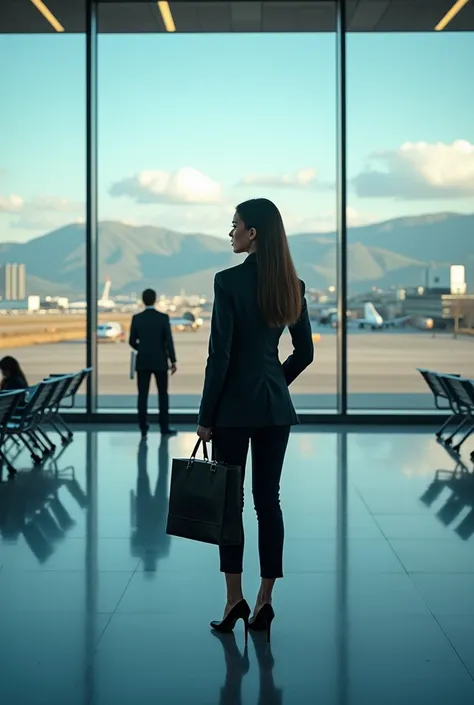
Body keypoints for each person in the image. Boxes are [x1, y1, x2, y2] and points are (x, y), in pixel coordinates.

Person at [197, 198, 314, 642]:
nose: (230, 233)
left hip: (232, 411)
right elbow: (304, 353)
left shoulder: (227, 282)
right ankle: (265, 600)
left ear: (254, 233)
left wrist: (207, 415)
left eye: (235, 226)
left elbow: (220, 355)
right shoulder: (293, 285)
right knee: (269, 501)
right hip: (274, 409)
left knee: (232, 505)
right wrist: (276, 386)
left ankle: (234, 600)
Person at [129, 288, 177, 438]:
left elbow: (131, 341)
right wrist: (173, 360)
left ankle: (143, 427)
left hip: (142, 361)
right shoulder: (163, 318)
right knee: (163, 395)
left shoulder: (137, 318)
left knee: (142, 395)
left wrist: (142, 348)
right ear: (155, 300)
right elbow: (169, 341)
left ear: (143, 300)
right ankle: (164, 427)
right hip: (160, 361)